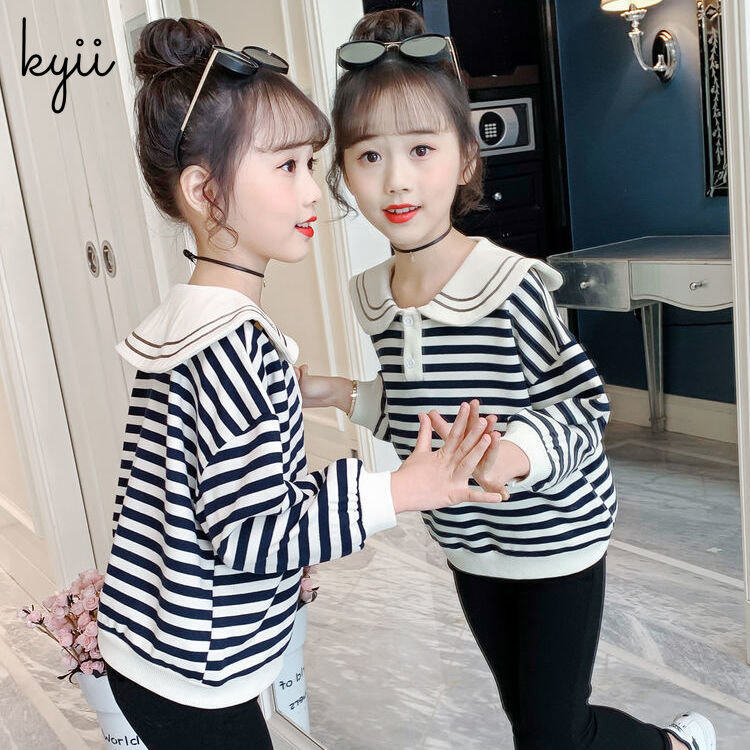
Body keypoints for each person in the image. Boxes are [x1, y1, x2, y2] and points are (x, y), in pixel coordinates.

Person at [296, 9, 716, 750]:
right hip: (467, 540)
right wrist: (340, 394)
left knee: (554, 733)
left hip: (556, 533)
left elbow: (583, 406)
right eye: (369, 156)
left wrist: (516, 454)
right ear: (344, 175)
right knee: (529, 722)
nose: (396, 179)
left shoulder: (509, 283)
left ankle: (675, 745)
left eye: (421, 149)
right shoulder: (373, 297)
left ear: (464, 158)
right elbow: (416, 412)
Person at [96, 17, 501, 749]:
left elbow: (194, 496)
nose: (314, 192)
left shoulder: (189, 320)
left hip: (150, 639)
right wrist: (400, 489)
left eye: (311, 164)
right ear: (204, 190)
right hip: (195, 668)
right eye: (287, 167)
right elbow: (255, 534)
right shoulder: (233, 346)